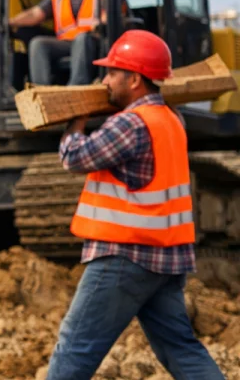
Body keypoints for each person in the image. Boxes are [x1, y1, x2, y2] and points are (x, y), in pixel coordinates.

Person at [45, 30, 223, 380]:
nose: (105, 80)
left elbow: (76, 157)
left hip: (125, 256)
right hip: (166, 258)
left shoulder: (132, 122)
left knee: (75, 346)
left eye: (113, 72)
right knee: (181, 349)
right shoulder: (172, 119)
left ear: (135, 79)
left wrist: (74, 121)